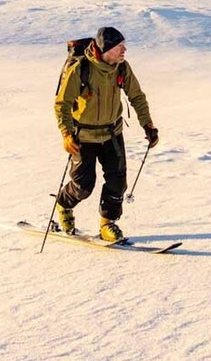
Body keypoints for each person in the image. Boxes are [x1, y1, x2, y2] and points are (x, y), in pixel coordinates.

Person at [52, 26, 158, 243]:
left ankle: (107, 224)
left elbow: (136, 96)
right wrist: (67, 134)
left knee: (117, 181)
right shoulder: (81, 69)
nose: (124, 50)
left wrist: (147, 125)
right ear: (107, 49)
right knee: (83, 186)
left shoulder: (122, 68)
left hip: (112, 133)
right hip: (84, 137)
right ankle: (63, 205)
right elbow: (62, 104)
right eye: (120, 47)